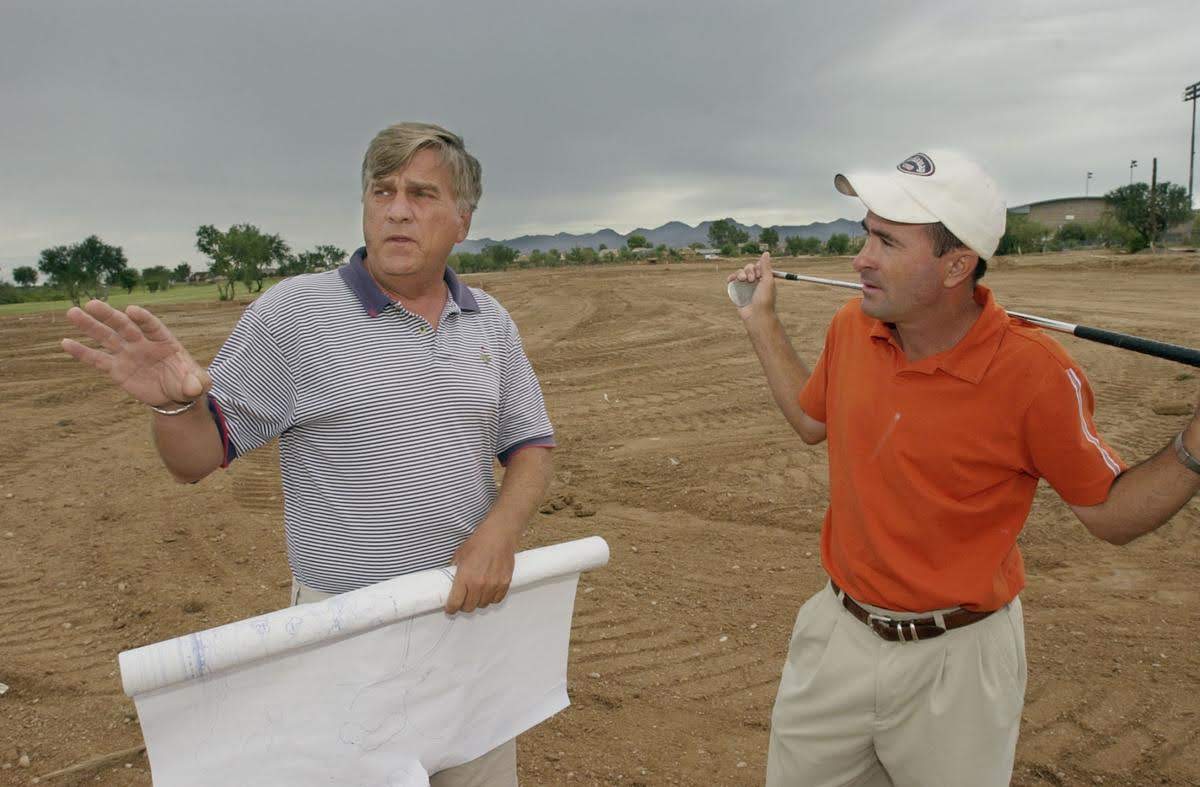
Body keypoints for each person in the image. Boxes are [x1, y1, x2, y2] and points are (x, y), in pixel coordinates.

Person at [61, 122, 555, 786]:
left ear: (462, 221)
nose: (397, 209)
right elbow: (196, 457)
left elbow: (531, 446)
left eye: (421, 193)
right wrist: (175, 407)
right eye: (381, 190)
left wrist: (500, 531)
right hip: (342, 640)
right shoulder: (293, 315)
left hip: (468, 630)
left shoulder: (489, 321)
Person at [729, 150, 1200, 787]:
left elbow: (1114, 515)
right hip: (837, 635)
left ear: (957, 266)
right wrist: (760, 320)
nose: (860, 258)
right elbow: (813, 422)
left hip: (958, 662)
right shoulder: (853, 327)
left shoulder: (1034, 373)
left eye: (887, 241)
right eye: (867, 232)